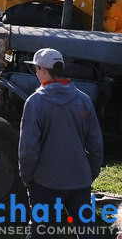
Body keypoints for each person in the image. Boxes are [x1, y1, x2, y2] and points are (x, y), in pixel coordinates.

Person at [18, 47, 103, 238]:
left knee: (40, 232)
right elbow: (95, 143)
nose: (36, 73)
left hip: (45, 182)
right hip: (79, 180)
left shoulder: (35, 103)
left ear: (43, 70)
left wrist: (27, 177)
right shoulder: (83, 100)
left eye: (36, 69)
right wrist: (89, 172)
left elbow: (28, 150)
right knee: (87, 231)